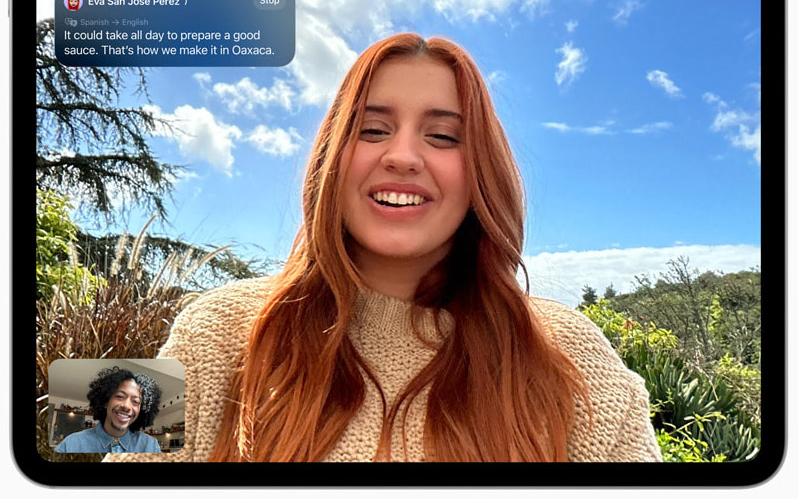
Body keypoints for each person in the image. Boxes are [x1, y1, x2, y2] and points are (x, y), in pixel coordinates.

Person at [107, 33, 661, 463]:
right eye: (371, 130)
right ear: (331, 160)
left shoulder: (573, 361)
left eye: (442, 136)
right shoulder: (211, 332)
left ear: (481, 176)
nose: (402, 156)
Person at [56, 366, 162, 453]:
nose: (127, 406)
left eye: (136, 402)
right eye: (120, 396)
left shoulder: (150, 446)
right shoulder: (71, 445)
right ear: (106, 402)